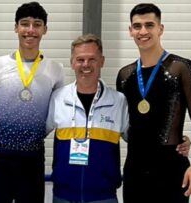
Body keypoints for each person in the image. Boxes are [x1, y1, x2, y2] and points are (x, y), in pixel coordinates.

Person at [0, 2, 64, 203]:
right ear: (16, 28)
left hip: (32, 161)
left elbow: (56, 116)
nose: (30, 30)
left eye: (37, 24)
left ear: (45, 29)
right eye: (24, 24)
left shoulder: (55, 69)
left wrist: (33, 131)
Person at [116, 3, 191, 203]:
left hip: (171, 167)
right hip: (135, 168)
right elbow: (124, 125)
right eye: (137, 26)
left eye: (149, 25)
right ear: (130, 31)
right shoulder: (125, 75)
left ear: (161, 29)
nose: (143, 31)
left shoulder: (181, 68)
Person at [45, 34, 129, 203]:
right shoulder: (58, 98)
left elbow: (141, 142)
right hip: (63, 196)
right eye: (80, 59)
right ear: (72, 62)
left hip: (104, 197)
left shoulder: (118, 101)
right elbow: (34, 133)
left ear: (102, 61)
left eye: (92, 59)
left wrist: (177, 141)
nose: (86, 65)